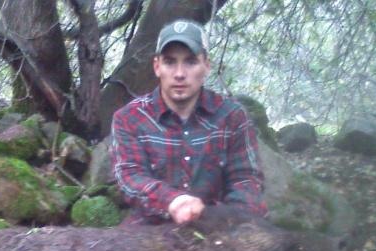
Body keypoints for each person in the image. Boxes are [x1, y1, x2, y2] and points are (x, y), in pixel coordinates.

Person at [110, 19, 267, 225]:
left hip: (217, 226)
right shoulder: (129, 118)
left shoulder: (231, 116)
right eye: (170, 62)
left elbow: (246, 180)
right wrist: (172, 201)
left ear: (206, 66)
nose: (179, 74)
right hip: (149, 228)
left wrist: (228, 219)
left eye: (190, 62)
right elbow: (130, 177)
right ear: (157, 67)